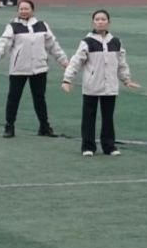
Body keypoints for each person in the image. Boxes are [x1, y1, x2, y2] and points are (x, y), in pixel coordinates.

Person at [60, 9, 140, 157]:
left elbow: (121, 63)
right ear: (93, 22)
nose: (100, 22)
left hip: (110, 87)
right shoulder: (87, 42)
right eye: (97, 19)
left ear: (109, 22)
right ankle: (88, 146)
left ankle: (109, 146)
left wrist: (126, 79)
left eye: (103, 19)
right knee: (89, 117)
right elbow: (76, 62)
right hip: (91, 86)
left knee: (108, 117)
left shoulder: (116, 42)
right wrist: (67, 79)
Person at [0, 0, 69, 139]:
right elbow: (2, 46)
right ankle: (9, 126)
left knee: (40, 98)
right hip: (18, 69)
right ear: (17, 11)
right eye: (21, 9)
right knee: (13, 98)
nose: (24, 11)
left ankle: (44, 127)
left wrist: (64, 61)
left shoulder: (42, 25)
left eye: (26, 8)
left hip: (39, 68)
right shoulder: (12, 26)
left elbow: (53, 46)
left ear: (32, 10)